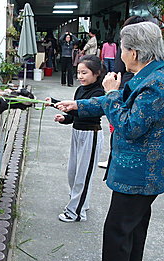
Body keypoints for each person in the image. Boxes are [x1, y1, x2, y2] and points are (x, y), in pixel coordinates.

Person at [54, 21, 164, 261]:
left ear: (133, 53)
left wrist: (110, 94)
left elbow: (130, 126)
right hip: (141, 177)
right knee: (132, 233)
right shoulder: (149, 76)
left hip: (139, 177)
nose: (120, 55)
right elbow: (117, 101)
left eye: (122, 49)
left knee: (117, 236)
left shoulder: (155, 85)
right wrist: (78, 105)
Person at [47, 55, 106, 222]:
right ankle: (80, 203)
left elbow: (84, 111)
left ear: (96, 73)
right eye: (78, 72)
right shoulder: (80, 89)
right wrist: (64, 119)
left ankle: (76, 212)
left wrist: (55, 103)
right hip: (77, 133)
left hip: (91, 135)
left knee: (83, 176)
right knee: (72, 174)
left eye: (84, 73)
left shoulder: (99, 92)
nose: (80, 76)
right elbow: (74, 115)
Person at [98, 16, 147, 169]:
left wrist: (112, 92)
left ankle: (115, 157)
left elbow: (129, 127)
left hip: (122, 87)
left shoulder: (148, 82)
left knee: (118, 123)